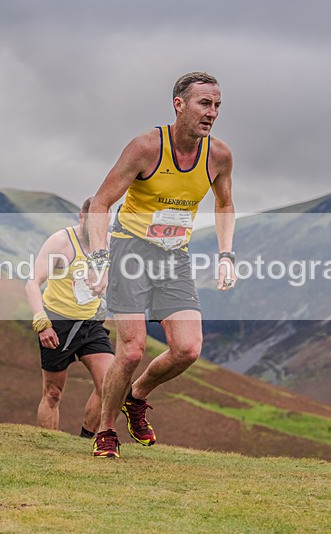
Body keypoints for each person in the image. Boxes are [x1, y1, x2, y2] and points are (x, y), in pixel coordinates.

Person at [86, 72, 236, 458]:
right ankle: (106, 431)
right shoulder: (146, 147)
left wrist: (226, 255)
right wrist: (100, 258)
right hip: (130, 251)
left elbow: (224, 204)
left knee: (187, 349)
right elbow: (101, 203)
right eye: (205, 103)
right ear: (179, 104)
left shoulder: (218, 155)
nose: (213, 112)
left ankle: (136, 397)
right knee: (132, 350)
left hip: (174, 256)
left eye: (217, 105)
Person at [25, 197, 115, 438]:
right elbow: (32, 283)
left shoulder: (107, 244)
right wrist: (42, 324)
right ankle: (50, 447)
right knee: (53, 392)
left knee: (108, 385)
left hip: (91, 323)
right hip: (57, 323)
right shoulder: (61, 242)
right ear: (81, 218)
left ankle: (85, 441)